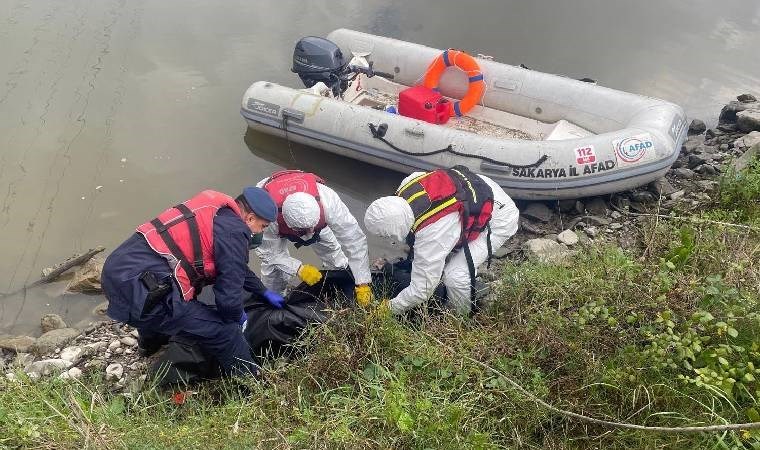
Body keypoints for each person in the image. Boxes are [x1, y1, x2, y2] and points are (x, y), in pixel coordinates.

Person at [101, 188, 282, 377]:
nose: (261, 232)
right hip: (140, 290)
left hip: (118, 272)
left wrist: (262, 291)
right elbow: (228, 301)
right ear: (250, 218)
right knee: (226, 332)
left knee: (161, 298)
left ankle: (148, 347)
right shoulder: (235, 231)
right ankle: (251, 382)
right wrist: (237, 318)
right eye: (263, 226)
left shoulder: (215, 211)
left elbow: (234, 267)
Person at [364, 165, 519, 316]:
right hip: (477, 188)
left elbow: (421, 291)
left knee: (455, 275)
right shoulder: (406, 186)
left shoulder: (433, 233)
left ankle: (460, 317)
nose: (386, 238)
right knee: (440, 259)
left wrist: (387, 309)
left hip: (498, 218)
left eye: (386, 234)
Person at [255, 170, 373, 306]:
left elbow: (354, 240)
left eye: (312, 227)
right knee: (273, 271)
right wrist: (298, 269)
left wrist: (362, 281)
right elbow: (269, 254)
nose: (309, 233)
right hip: (275, 213)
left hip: (314, 220)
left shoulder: (328, 201)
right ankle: (274, 300)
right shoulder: (267, 214)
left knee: (333, 254)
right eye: (303, 231)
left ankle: (340, 280)